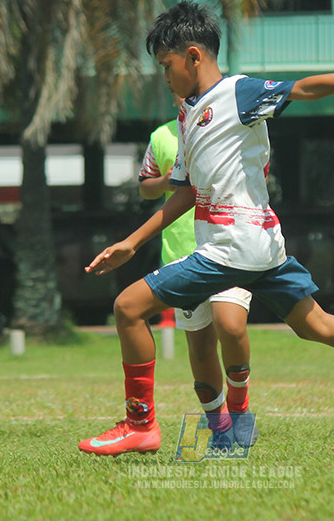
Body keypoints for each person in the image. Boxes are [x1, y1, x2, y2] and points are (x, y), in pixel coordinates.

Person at [79, 0, 334, 456]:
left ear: (194, 56)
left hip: (231, 246)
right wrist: (132, 243)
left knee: (128, 307)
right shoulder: (189, 113)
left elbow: (305, 89)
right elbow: (187, 190)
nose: (164, 76)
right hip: (260, 246)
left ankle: (142, 426)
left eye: (167, 65)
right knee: (318, 324)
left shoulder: (238, 93)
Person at [138, 94, 257, 447]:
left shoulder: (230, 125)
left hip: (229, 245)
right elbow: (145, 185)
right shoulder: (162, 137)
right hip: (181, 253)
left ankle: (240, 407)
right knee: (201, 346)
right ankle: (218, 426)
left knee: (230, 325)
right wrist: (169, 181)